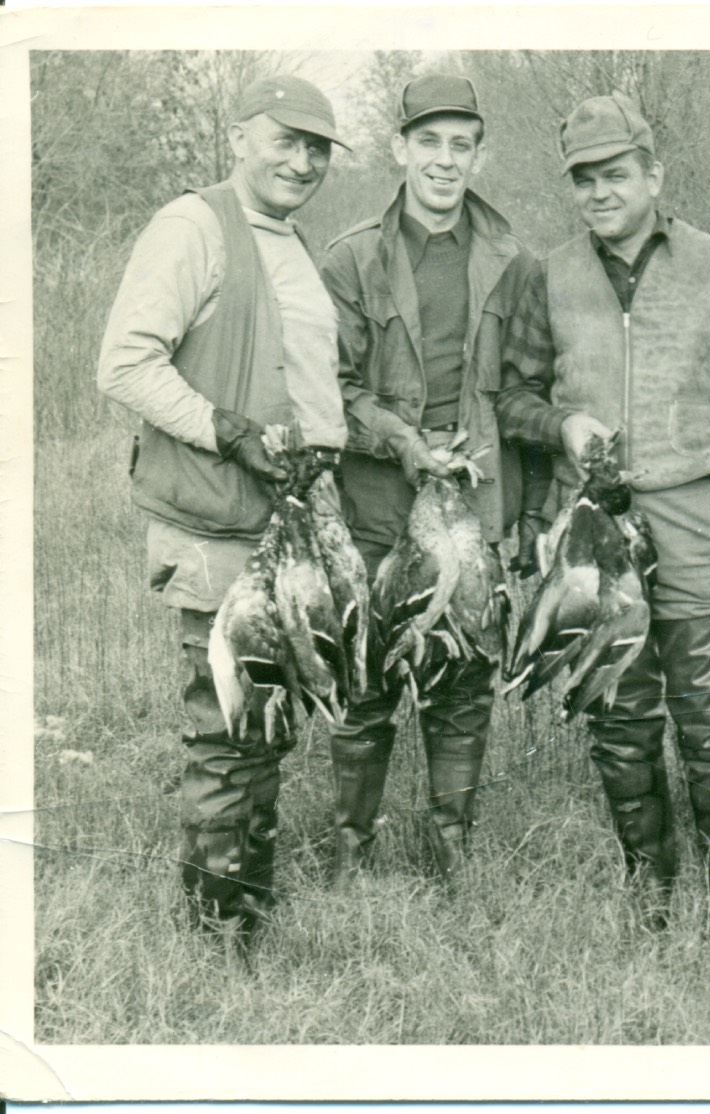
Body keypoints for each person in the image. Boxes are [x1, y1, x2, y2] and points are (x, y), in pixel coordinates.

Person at [495, 93, 710, 955]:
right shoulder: (544, 275)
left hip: (698, 512)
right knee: (619, 715)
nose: (599, 191)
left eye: (615, 173)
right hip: (593, 530)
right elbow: (512, 396)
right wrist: (563, 428)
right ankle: (650, 889)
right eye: (583, 179)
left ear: (653, 174)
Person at [97, 74, 349, 935]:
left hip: (287, 525)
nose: (303, 159)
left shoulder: (292, 242)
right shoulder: (194, 226)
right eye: (286, 138)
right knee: (223, 727)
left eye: (318, 147)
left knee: (266, 721)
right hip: (216, 524)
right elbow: (125, 364)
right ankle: (214, 928)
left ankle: (251, 902)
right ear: (240, 135)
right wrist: (228, 430)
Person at [320, 74, 543, 886]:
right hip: (380, 501)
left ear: (479, 152)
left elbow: (526, 392)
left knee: (464, 675)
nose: (446, 161)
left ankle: (454, 845)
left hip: (477, 502)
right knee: (368, 673)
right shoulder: (352, 258)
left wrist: (522, 508)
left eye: (462, 144)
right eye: (430, 142)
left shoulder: (514, 260)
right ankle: (353, 847)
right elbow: (333, 389)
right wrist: (405, 444)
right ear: (399, 147)